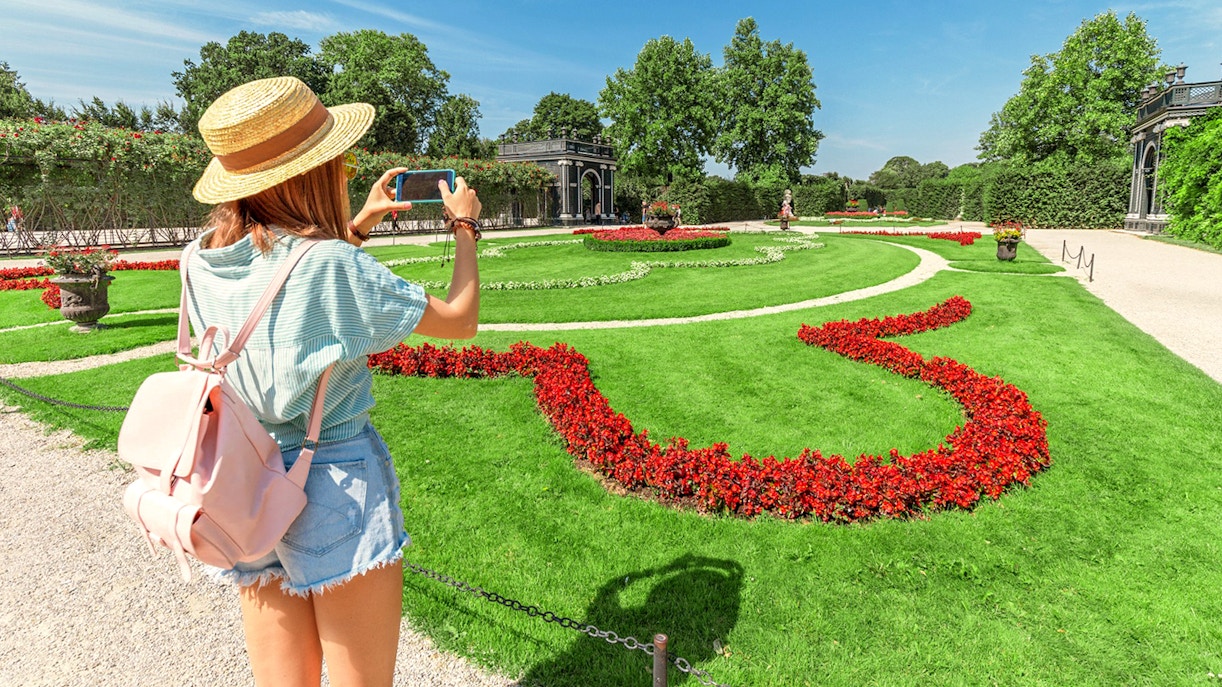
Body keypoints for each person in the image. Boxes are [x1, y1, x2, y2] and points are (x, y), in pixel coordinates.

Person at [183, 76, 481, 686]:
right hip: (331, 477)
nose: (343, 168)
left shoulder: (200, 257)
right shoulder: (333, 265)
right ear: (309, 172)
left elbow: (285, 277)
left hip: (242, 473)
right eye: (334, 159)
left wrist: (360, 224)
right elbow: (460, 320)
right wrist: (465, 227)